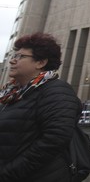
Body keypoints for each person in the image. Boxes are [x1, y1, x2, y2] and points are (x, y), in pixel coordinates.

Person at [0, 32, 82, 182]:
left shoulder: (56, 91)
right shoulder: (11, 95)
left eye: (21, 56)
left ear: (40, 63)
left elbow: (54, 140)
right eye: (14, 55)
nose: (12, 61)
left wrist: (8, 173)